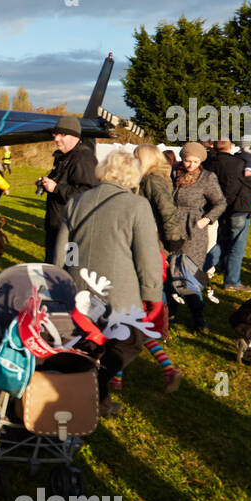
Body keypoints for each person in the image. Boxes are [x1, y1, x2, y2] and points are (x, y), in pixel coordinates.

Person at [55, 150, 163, 414]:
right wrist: (153, 295)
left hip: (79, 286)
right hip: (119, 292)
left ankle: (97, 399)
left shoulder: (77, 201)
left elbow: (65, 249)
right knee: (130, 341)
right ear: (132, 175)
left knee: (90, 343)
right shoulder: (138, 206)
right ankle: (93, 384)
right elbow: (148, 257)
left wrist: (65, 277)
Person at [112, 145, 184, 393]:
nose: (133, 160)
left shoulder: (153, 180)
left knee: (128, 314)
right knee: (134, 316)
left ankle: (123, 374)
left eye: (136, 157)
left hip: (147, 253)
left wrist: (173, 240)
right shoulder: (148, 180)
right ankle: (124, 375)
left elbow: (167, 212)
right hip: (143, 250)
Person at [170, 142, 226, 333]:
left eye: (195, 161)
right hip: (169, 228)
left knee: (187, 273)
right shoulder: (173, 173)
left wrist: (206, 219)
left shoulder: (207, 178)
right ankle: (170, 312)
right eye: (187, 160)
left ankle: (199, 317)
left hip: (193, 231)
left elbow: (220, 203)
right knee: (169, 271)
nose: (190, 165)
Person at [203, 138, 251, 291]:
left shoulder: (209, 164)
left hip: (220, 208)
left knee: (222, 243)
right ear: (230, 147)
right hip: (238, 207)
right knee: (236, 246)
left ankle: (199, 270)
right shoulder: (239, 163)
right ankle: (232, 281)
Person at [40, 115, 97, 265]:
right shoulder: (62, 157)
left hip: (71, 230)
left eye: (62, 134)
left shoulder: (83, 159)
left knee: (68, 270)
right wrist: (46, 184)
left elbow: (88, 194)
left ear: (75, 136)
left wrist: (56, 188)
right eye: (56, 134)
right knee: (53, 267)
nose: (56, 139)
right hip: (56, 225)